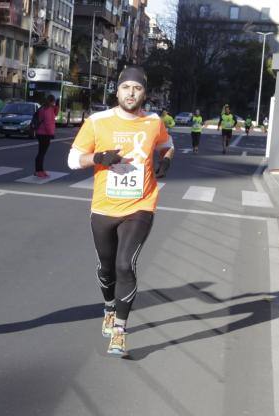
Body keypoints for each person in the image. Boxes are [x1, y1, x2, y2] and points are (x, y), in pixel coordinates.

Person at [67, 66, 174, 357]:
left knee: (125, 265)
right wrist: (98, 157)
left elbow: (167, 144)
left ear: (144, 93)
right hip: (104, 206)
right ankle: (109, 307)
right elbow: (73, 159)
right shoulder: (97, 121)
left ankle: (119, 331)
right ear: (117, 92)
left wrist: (166, 160)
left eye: (137, 88)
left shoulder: (153, 122)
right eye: (126, 87)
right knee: (107, 268)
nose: (131, 93)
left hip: (141, 204)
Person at [34, 95, 58, 178]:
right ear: (52, 101)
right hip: (45, 133)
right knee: (41, 153)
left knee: (41, 152)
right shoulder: (48, 109)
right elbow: (48, 123)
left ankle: (40, 170)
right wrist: (51, 133)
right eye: (54, 101)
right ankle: (38, 171)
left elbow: (55, 113)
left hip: (41, 133)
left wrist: (56, 107)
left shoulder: (43, 108)